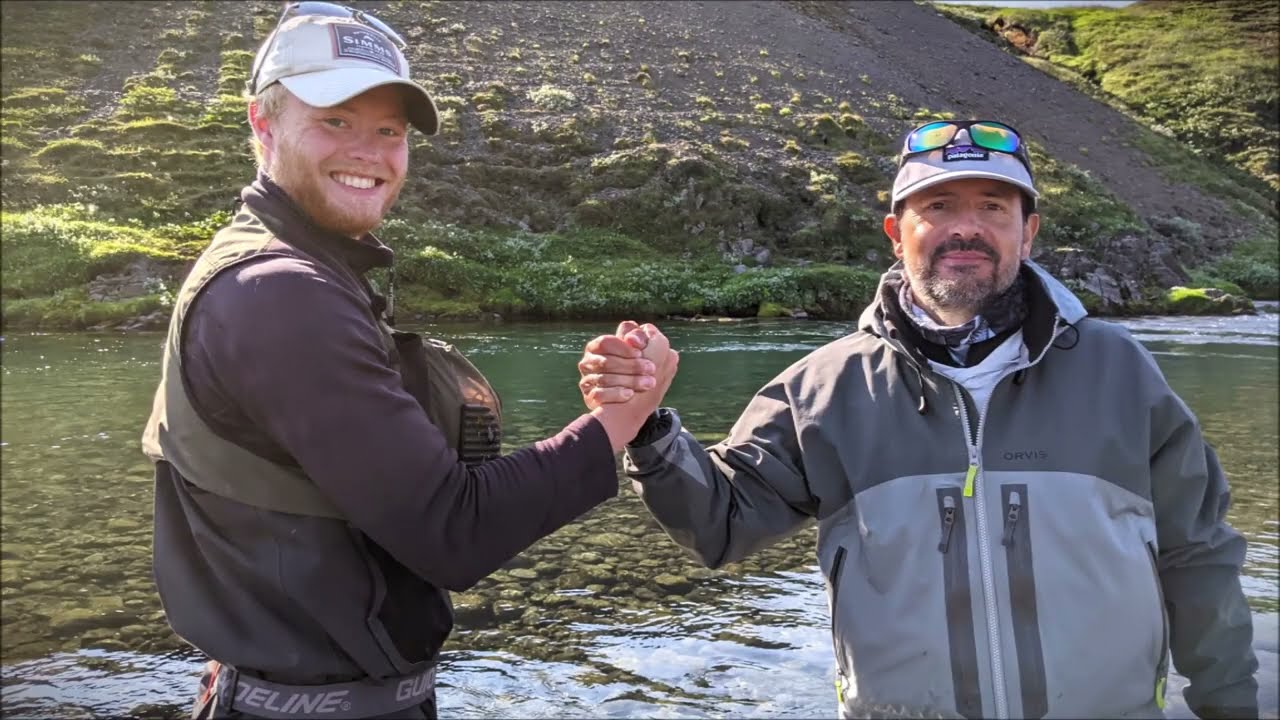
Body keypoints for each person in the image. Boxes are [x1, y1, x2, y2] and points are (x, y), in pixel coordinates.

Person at [578, 119, 1259, 719]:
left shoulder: (1122, 371)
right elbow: (722, 521)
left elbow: (1198, 552)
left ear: (1029, 233)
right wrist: (647, 429)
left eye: (993, 207)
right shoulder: (825, 386)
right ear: (896, 234)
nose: (966, 227)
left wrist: (1229, 704)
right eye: (937, 206)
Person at [140, 4, 677, 718]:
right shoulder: (282, 295)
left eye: (388, 129)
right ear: (262, 125)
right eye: (335, 119)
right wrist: (617, 420)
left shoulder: (286, 273)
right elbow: (454, 531)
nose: (369, 150)